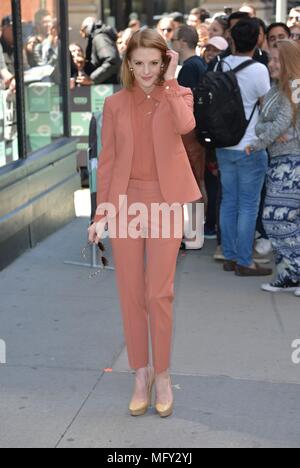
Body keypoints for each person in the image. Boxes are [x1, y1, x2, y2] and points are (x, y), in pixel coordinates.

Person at [88, 29, 201, 418]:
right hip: (125, 205)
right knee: (131, 293)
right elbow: (108, 162)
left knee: (159, 294)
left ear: (165, 62)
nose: (146, 71)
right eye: (139, 63)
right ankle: (141, 373)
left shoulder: (178, 95)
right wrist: (102, 213)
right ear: (128, 64)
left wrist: (171, 82)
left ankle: (164, 375)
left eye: (154, 62)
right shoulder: (115, 104)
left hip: (166, 203)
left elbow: (186, 127)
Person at [216, 18, 272, 277]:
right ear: (258, 40)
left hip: (224, 144)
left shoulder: (221, 63)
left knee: (229, 201)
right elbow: (267, 107)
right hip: (250, 145)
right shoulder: (259, 70)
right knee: (248, 205)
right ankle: (244, 260)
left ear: (233, 40)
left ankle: (229, 255)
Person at [246, 40, 300, 296]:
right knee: (283, 219)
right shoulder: (274, 90)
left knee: (274, 217)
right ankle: (289, 275)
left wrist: (259, 142)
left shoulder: (296, 87)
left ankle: (294, 271)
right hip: (278, 160)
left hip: (293, 162)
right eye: (271, 59)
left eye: (277, 60)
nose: (271, 64)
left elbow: (284, 120)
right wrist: (268, 133)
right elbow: (260, 124)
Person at [173, 25, 208, 249]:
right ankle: (196, 233)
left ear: (182, 42)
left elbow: (182, 109)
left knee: (192, 184)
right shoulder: (200, 64)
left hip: (190, 135)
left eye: (174, 39)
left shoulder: (188, 68)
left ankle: (194, 235)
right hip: (199, 134)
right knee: (197, 182)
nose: (172, 43)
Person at [80, 17, 121, 85]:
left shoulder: (100, 38)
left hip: (107, 87)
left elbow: (111, 61)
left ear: (88, 27)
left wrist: (92, 79)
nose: (83, 35)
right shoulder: (98, 37)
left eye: (83, 30)